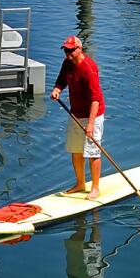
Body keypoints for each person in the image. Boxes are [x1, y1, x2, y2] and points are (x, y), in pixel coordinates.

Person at [50, 35, 104, 199]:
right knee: (76, 150)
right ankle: (80, 183)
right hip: (76, 112)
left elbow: (95, 100)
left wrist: (91, 124)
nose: (68, 53)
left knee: (93, 152)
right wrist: (57, 89)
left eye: (71, 50)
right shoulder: (67, 63)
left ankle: (95, 188)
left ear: (79, 49)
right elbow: (61, 80)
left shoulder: (89, 68)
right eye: (66, 50)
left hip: (93, 113)